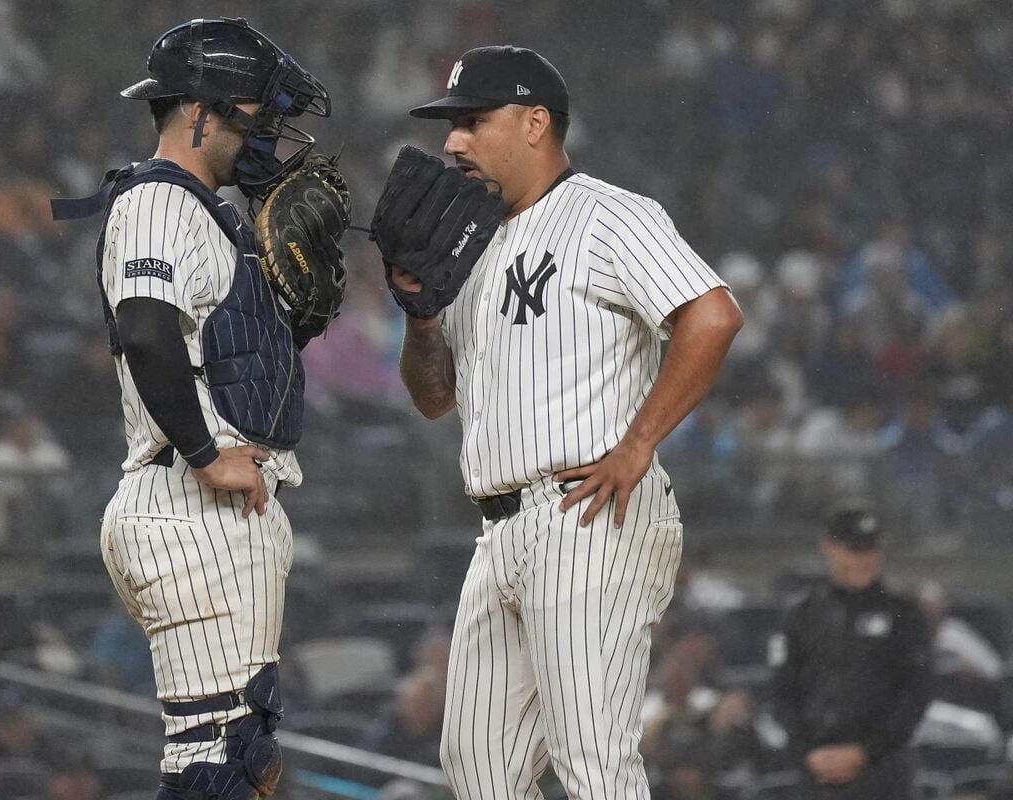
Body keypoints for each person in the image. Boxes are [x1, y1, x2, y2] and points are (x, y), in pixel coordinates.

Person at [389, 46, 742, 798]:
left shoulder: (612, 214)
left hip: (591, 511)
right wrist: (421, 316)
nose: (453, 142)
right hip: (499, 529)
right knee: (478, 768)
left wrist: (638, 444)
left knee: (593, 760)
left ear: (535, 121)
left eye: (473, 121)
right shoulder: (470, 242)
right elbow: (432, 397)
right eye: (451, 125)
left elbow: (712, 317)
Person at [51, 17, 333, 800]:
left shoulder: (210, 213)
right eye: (255, 114)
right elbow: (145, 332)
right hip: (190, 503)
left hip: (195, 508)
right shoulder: (158, 202)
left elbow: (235, 356)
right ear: (200, 113)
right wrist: (209, 455)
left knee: (230, 757)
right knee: (221, 761)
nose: (269, 134)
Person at [771, 506, 932, 799]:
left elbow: (916, 694)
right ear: (830, 548)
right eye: (855, 549)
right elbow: (782, 691)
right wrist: (809, 752)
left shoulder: (904, 615)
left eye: (871, 549)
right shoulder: (801, 615)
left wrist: (865, 751)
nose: (865, 559)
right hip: (816, 771)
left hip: (883, 771)